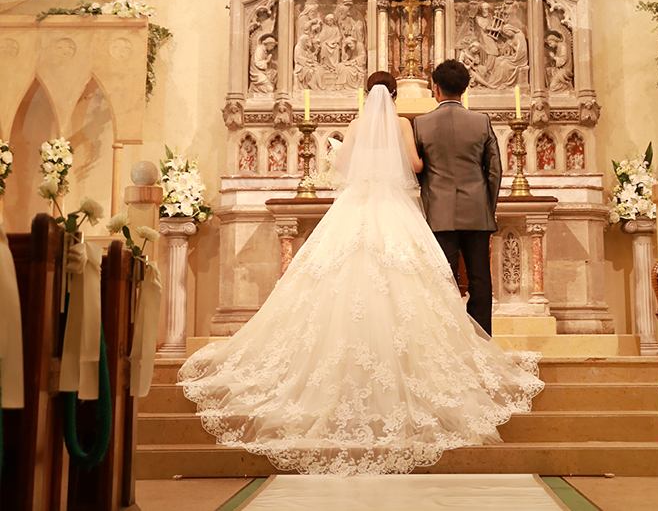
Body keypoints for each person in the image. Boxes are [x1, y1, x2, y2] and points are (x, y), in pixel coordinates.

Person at [178, 71, 543, 476]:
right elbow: (420, 164)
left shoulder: (357, 125)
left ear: (366, 95)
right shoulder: (409, 124)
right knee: (438, 284)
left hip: (356, 210)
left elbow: (341, 166)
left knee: (340, 281)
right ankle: (461, 353)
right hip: (402, 210)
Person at [412, 60, 501, 335]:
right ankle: (482, 340)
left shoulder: (421, 124)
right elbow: (495, 170)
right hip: (477, 211)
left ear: (435, 89)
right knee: (479, 280)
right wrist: (487, 206)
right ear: (465, 89)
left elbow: (415, 169)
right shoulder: (481, 121)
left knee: (443, 281)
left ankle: (449, 339)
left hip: (438, 213)